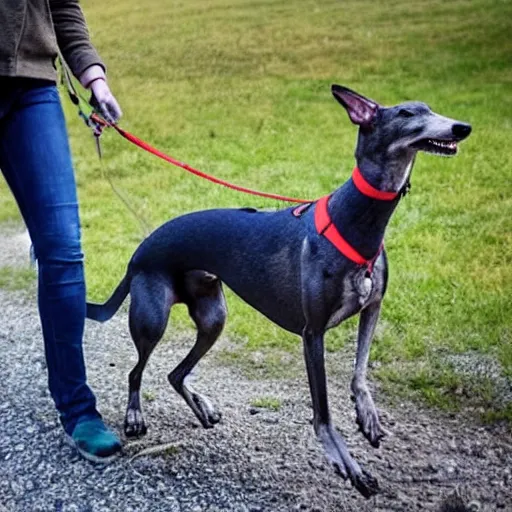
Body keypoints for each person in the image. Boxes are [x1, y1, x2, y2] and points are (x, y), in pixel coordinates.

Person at [0, 0, 123, 462]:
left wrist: (94, 76)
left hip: (32, 87)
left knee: (63, 249)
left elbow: (63, 7)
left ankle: (78, 409)